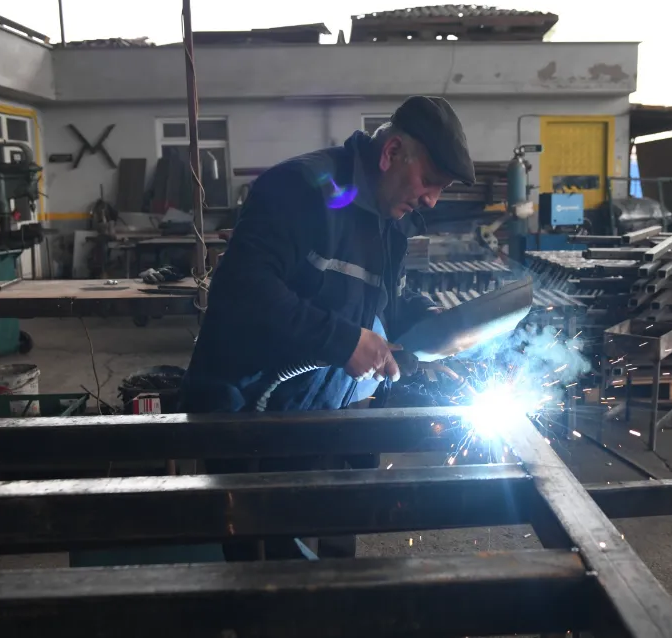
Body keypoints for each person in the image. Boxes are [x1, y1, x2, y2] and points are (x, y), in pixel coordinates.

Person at [179, 96, 475, 559]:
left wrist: (433, 321)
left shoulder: (393, 219)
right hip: (254, 421)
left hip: (331, 417)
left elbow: (385, 300)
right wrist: (342, 340)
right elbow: (242, 289)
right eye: (430, 181)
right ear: (392, 152)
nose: (431, 200)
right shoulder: (300, 188)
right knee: (270, 578)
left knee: (334, 572)